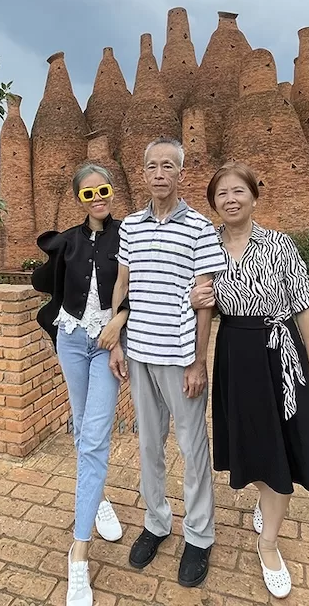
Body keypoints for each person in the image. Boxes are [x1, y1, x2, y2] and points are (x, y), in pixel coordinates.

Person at [191, 161, 309, 599]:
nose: (230, 199)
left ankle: (269, 543)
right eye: (222, 194)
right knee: (250, 444)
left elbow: (305, 306)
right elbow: (201, 309)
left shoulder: (279, 244)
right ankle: (264, 496)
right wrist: (196, 298)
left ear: (254, 196)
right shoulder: (208, 248)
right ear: (214, 204)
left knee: (285, 447)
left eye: (238, 191)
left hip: (280, 351)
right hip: (235, 352)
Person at [110, 138, 227, 588]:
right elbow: (123, 284)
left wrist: (198, 361)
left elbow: (205, 303)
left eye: (168, 166)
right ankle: (157, 522)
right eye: (152, 166)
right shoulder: (132, 227)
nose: (159, 173)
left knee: (193, 448)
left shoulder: (198, 227)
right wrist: (117, 342)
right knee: (148, 446)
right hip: (138, 352)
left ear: (181, 173)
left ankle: (199, 534)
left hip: (179, 359)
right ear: (143, 172)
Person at [32, 163, 129, 606]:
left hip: (107, 344)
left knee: (94, 439)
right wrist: (50, 259)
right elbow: (44, 287)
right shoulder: (67, 241)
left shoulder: (126, 236)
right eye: (88, 194)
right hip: (71, 342)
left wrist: (119, 328)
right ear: (79, 199)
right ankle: (100, 497)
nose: (98, 199)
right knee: (83, 431)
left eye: (103, 190)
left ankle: (79, 553)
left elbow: (135, 291)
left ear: (112, 192)